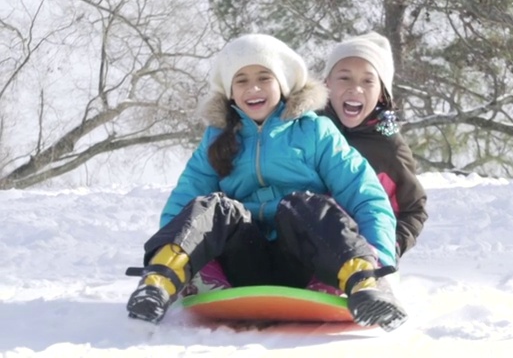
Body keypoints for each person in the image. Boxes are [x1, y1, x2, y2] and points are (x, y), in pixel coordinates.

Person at [125, 34, 407, 331]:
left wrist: (381, 262)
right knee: (214, 206)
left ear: (283, 83)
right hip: (244, 258)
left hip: (304, 258)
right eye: (242, 80)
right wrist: (164, 253)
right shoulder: (217, 139)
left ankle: (363, 282)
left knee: (305, 204)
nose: (253, 88)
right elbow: (183, 205)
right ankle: (159, 283)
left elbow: (365, 196)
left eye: (264, 77)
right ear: (230, 92)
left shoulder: (315, 131)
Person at [320, 32, 428, 259]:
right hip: (305, 244)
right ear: (327, 83)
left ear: (381, 94)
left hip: (358, 254)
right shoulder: (307, 129)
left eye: (368, 81)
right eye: (344, 78)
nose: (355, 89)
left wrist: (391, 246)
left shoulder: (389, 149)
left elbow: (412, 209)